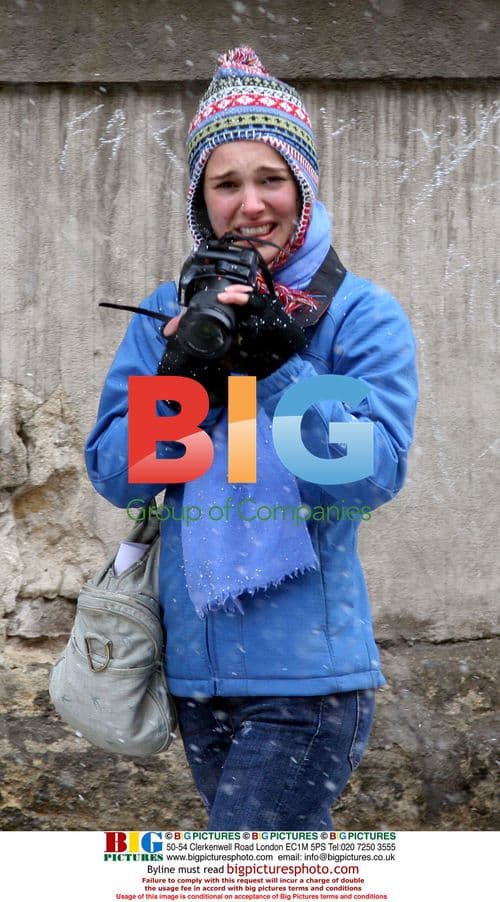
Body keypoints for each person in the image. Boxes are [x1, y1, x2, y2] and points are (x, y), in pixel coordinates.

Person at [85, 47, 418, 829]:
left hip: (310, 682)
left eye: (271, 179)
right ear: (200, 199)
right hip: (200, 677)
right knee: (275, 876)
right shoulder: (170, 312)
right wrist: (185, 376)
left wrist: (275, 369)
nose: (251, 204)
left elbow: (370, 475)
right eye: (226, 184)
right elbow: (119, 475)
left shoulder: (359, 315)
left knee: (244, 872)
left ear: (303, 186)